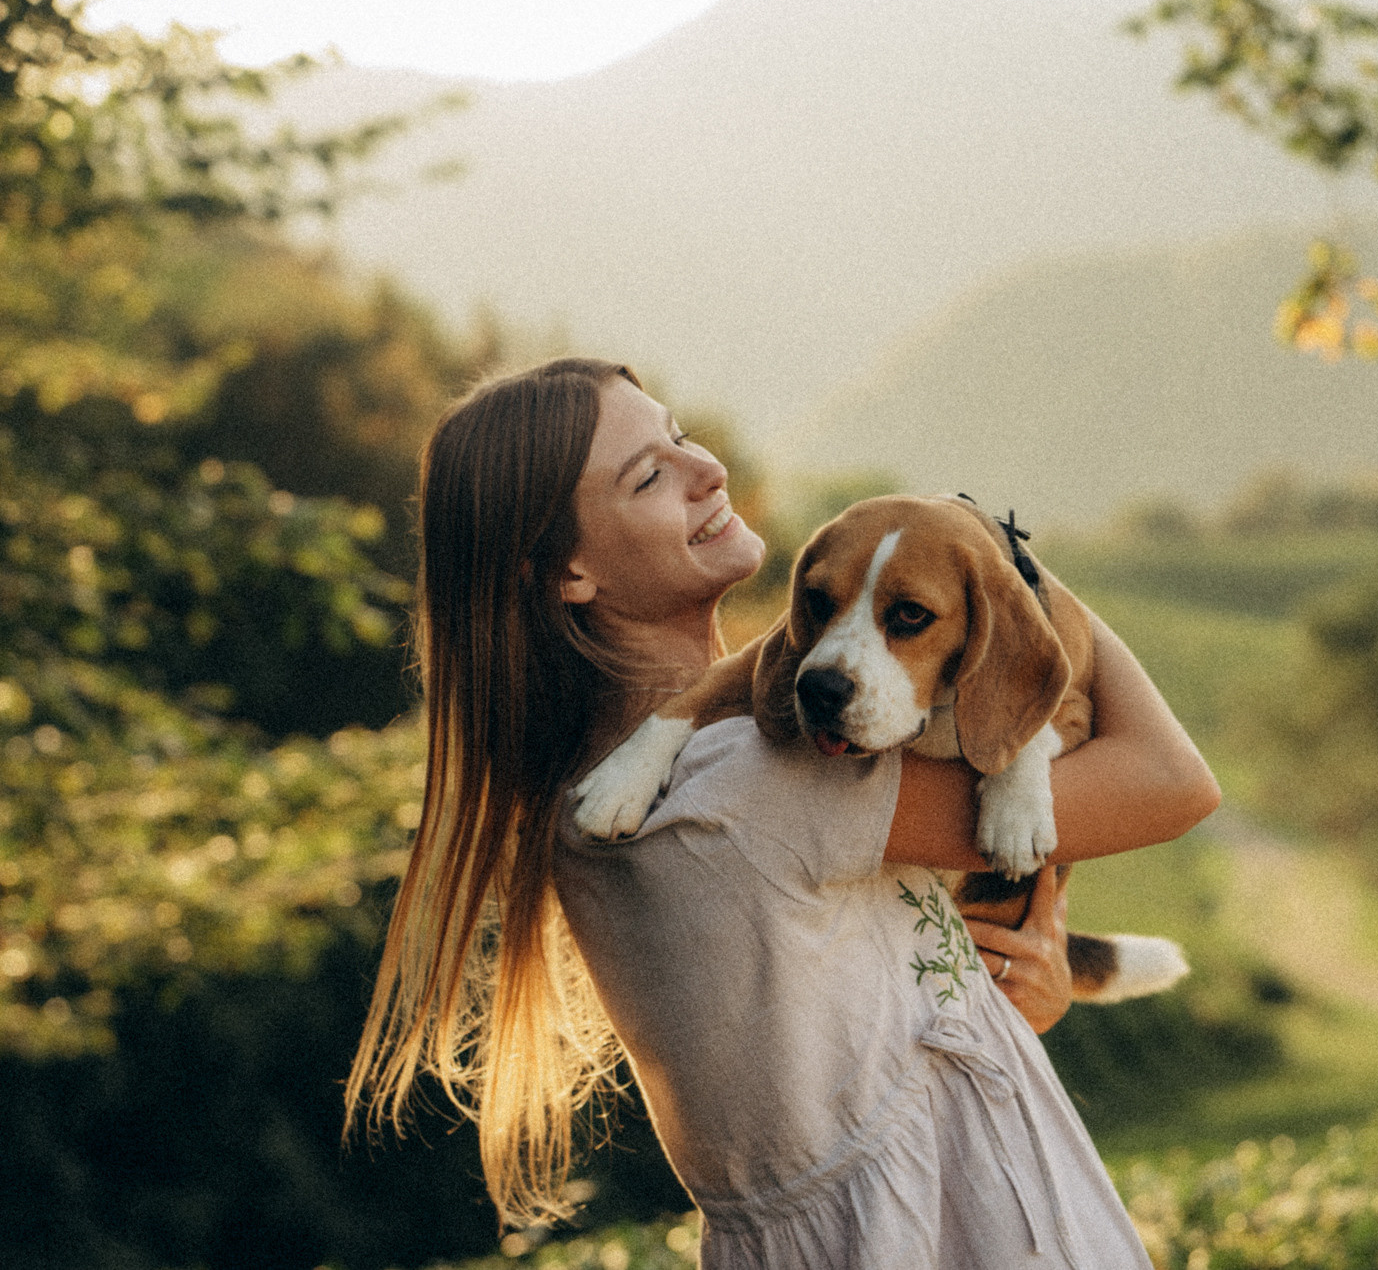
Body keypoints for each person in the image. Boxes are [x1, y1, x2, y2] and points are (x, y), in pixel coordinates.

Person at [346, 358, 1218, 1267]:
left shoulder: (615, 783)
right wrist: (998, 558)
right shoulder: (757, 777)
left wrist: (1006, 983)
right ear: (567, 571)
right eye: (649, 475)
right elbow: (1171, 781)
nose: (707, 471)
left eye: (680, 436)